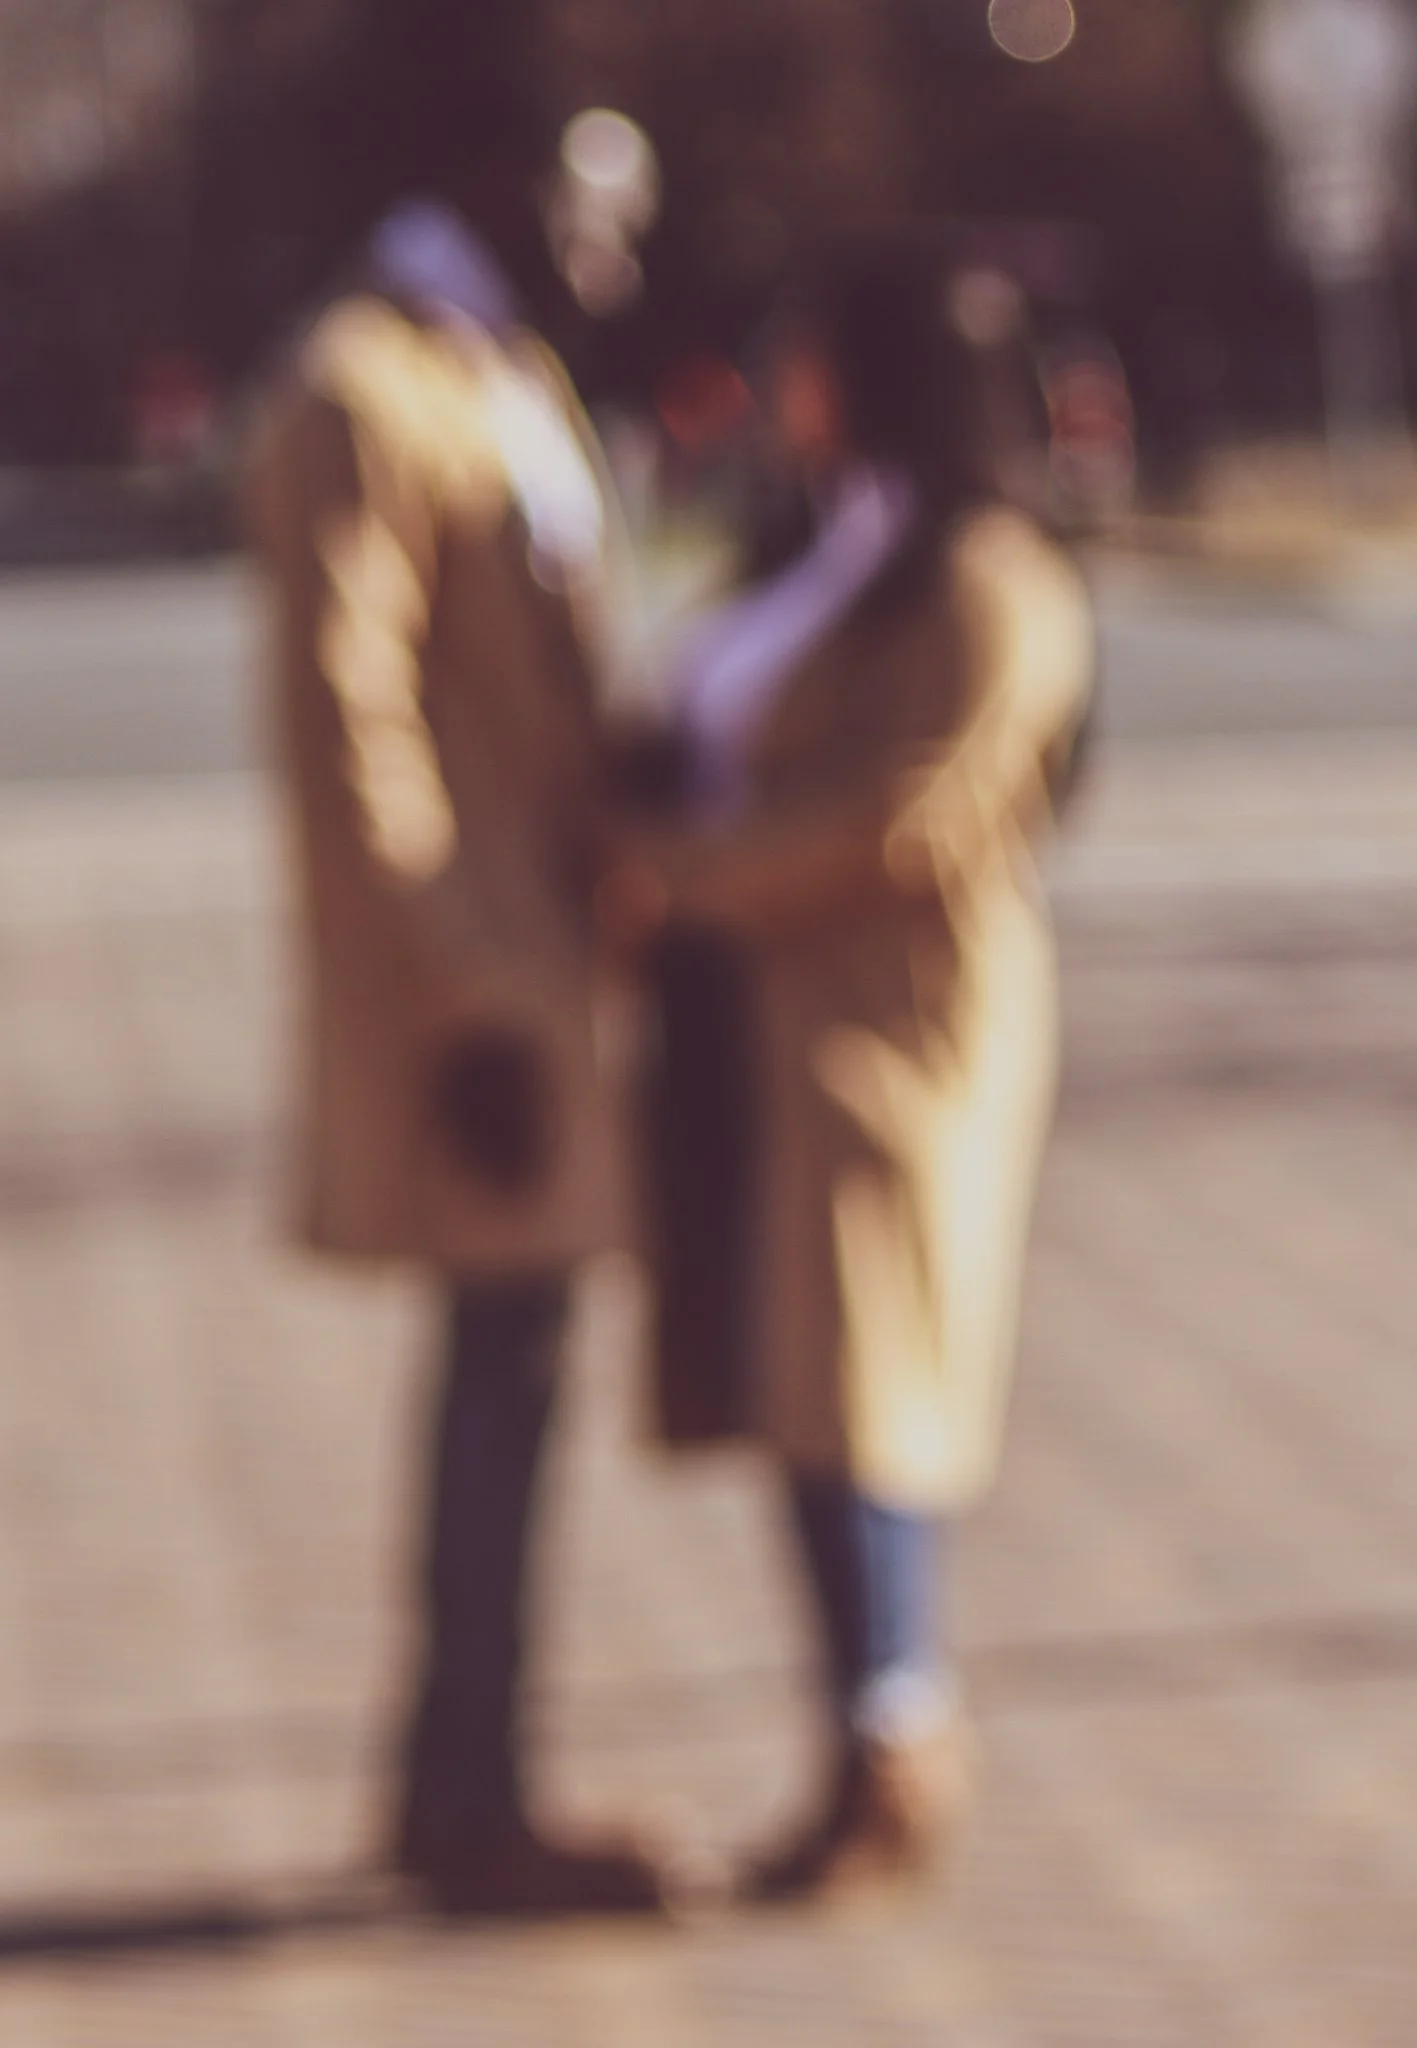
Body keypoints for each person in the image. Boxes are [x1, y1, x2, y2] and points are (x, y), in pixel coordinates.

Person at [602, 237, 1095, 1903]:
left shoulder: (990, 575)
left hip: (894, 1037)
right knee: (804, 1395)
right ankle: (858, 1735)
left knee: (874, 1389)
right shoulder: (821, 543)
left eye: (806, 352)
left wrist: (679, 878)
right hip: (759, 1028)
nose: (776, 382)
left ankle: (900, 1733)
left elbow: (904, 812)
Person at [244, 194, 662, 1918]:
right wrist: (462, 988)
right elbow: (344, 705)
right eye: (582, 190)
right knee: (503, 1368)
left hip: (547, 955)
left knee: (520, 1361)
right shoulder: (359, 390)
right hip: (478, 970)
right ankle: (468, 1794)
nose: (609, 224)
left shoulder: (505, 370)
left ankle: (462, 1777)